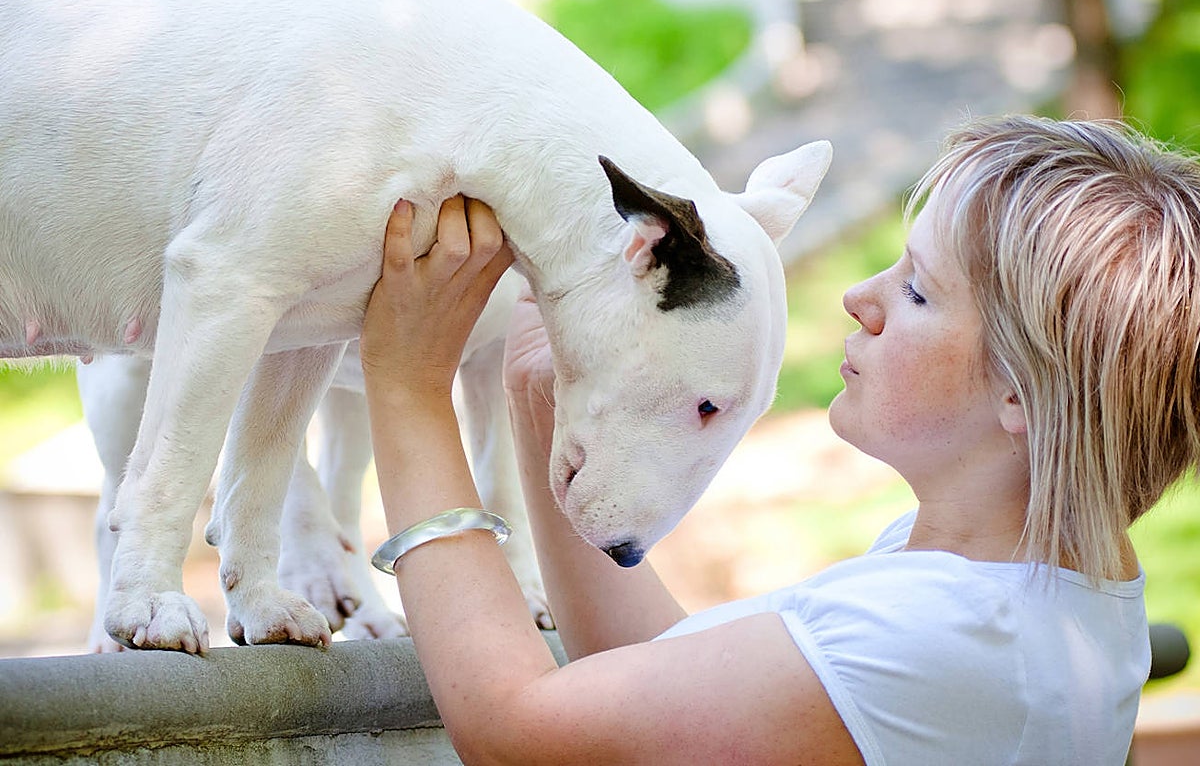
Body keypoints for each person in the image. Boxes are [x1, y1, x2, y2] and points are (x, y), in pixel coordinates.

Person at [357, 115, 1200, 765]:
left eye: (916, 291)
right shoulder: (1019, 587)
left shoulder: (950, 639)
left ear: (1020, 392)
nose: (860, 297)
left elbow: (515, 735)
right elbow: (669, 684)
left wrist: (407, 386)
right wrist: (543, 400)